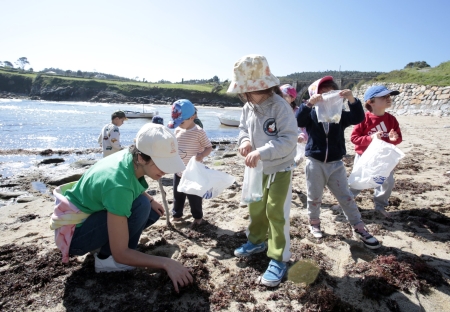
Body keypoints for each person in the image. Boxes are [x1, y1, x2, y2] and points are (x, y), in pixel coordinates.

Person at [50, 123, 193, 293]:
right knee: (140, 206)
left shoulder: (129, 155)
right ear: (141, 158)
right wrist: (166, 263)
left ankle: (106, 246)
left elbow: (130, 184)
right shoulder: (119, 185)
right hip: (75, 237)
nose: (166, 170)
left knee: (147, 207)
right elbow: (121, 251)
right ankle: (106, 259)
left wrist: (150, 199)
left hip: (87, 218)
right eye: (162, 163)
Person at [227, 54, 298, 287]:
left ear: (262, 86)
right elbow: (242, 129)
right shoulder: (249, 106)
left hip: (280, 167)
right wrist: (245, 142)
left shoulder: (280, 107)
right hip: (256, 167)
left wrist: (262, 151)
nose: (244, 96)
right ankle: (257, 240)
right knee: (255, 205)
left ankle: (279, 257)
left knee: (276, 212)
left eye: (246, 91)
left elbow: (288, 140)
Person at [296, 76, 381, 249]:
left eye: (333, 94)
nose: (328, 97)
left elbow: (358, 118)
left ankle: (359, 227)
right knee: (314, 197)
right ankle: (314, 223)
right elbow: (298, 120)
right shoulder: (311, 114)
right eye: (323, 94)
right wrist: (309, 104)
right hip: (314, 162)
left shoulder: (340, 115)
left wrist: (352, 99)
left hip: (336, 164)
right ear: (315, 96)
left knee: (346, 197)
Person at [350, 85, 402, 218]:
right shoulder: (364, 118)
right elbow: (354, 138)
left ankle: (380, 205)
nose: (388, 99)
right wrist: (370, 138)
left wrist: (393, 139)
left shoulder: (391, 119)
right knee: (358, 180)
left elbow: (398, 138)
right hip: (364, 156)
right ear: (371, 102)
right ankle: (347, 201)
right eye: (384, 97)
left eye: (389, 96)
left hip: (383, 158)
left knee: (387, 182)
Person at [170, 99, 212, 226]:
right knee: (178, 195)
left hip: (193, 172)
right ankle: (177, 214)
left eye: (181, 122)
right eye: (176, 122)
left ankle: (198, 217)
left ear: (192, 117)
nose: (179, 124)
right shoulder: (177, 130)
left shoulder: (199, 132)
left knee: (194, 197)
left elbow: (209, 147)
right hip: (179, 169)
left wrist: (202, 155)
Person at [280, 84, 308, 163]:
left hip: (296, 143)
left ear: (292, 98)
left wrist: (303, 136)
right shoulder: (277, 112)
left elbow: (306, 127)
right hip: (281, 144)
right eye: (279, 96)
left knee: (292, 163)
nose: (281, 99)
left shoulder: (299, 112)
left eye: (284, 96)